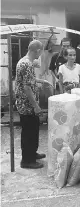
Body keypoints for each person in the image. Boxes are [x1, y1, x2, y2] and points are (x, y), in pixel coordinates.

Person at [15, 40, 51, 169]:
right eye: (41, 52)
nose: (40, 55)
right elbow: (27, 87)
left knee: (34, 129)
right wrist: (36, 106)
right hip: (27, 105)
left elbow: (29, 79)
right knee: (29, 132)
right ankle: (27, 160)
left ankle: (32, 154)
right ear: (37, 50)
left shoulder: (26, 62)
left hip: (27, 104)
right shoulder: (26, 64)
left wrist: (42, 81)